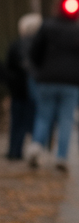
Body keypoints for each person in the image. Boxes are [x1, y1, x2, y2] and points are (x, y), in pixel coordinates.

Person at [27, 0, 79, 171]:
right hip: (71, 82)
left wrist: (41, 70)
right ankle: (61, 156)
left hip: (47, 79)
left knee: (43, 116)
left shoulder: (47, 26)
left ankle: (37, 145)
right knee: (66, 120)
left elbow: (34, 51)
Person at [4, 13, 42, 160]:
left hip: (18, 90)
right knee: (34, 122)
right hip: (34, 91)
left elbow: (8, 67)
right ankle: (35, 151)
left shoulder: (15, 44)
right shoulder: (40, 46)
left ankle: (14, 150)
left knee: (16, 122)